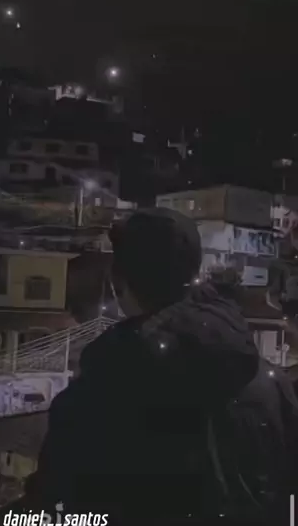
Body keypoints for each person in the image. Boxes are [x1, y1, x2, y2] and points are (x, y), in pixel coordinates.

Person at [19, 208, 296, 526]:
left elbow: (56, 507)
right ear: (194, 273)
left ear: (118, 283)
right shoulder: (270, 382)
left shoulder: (100, 394)